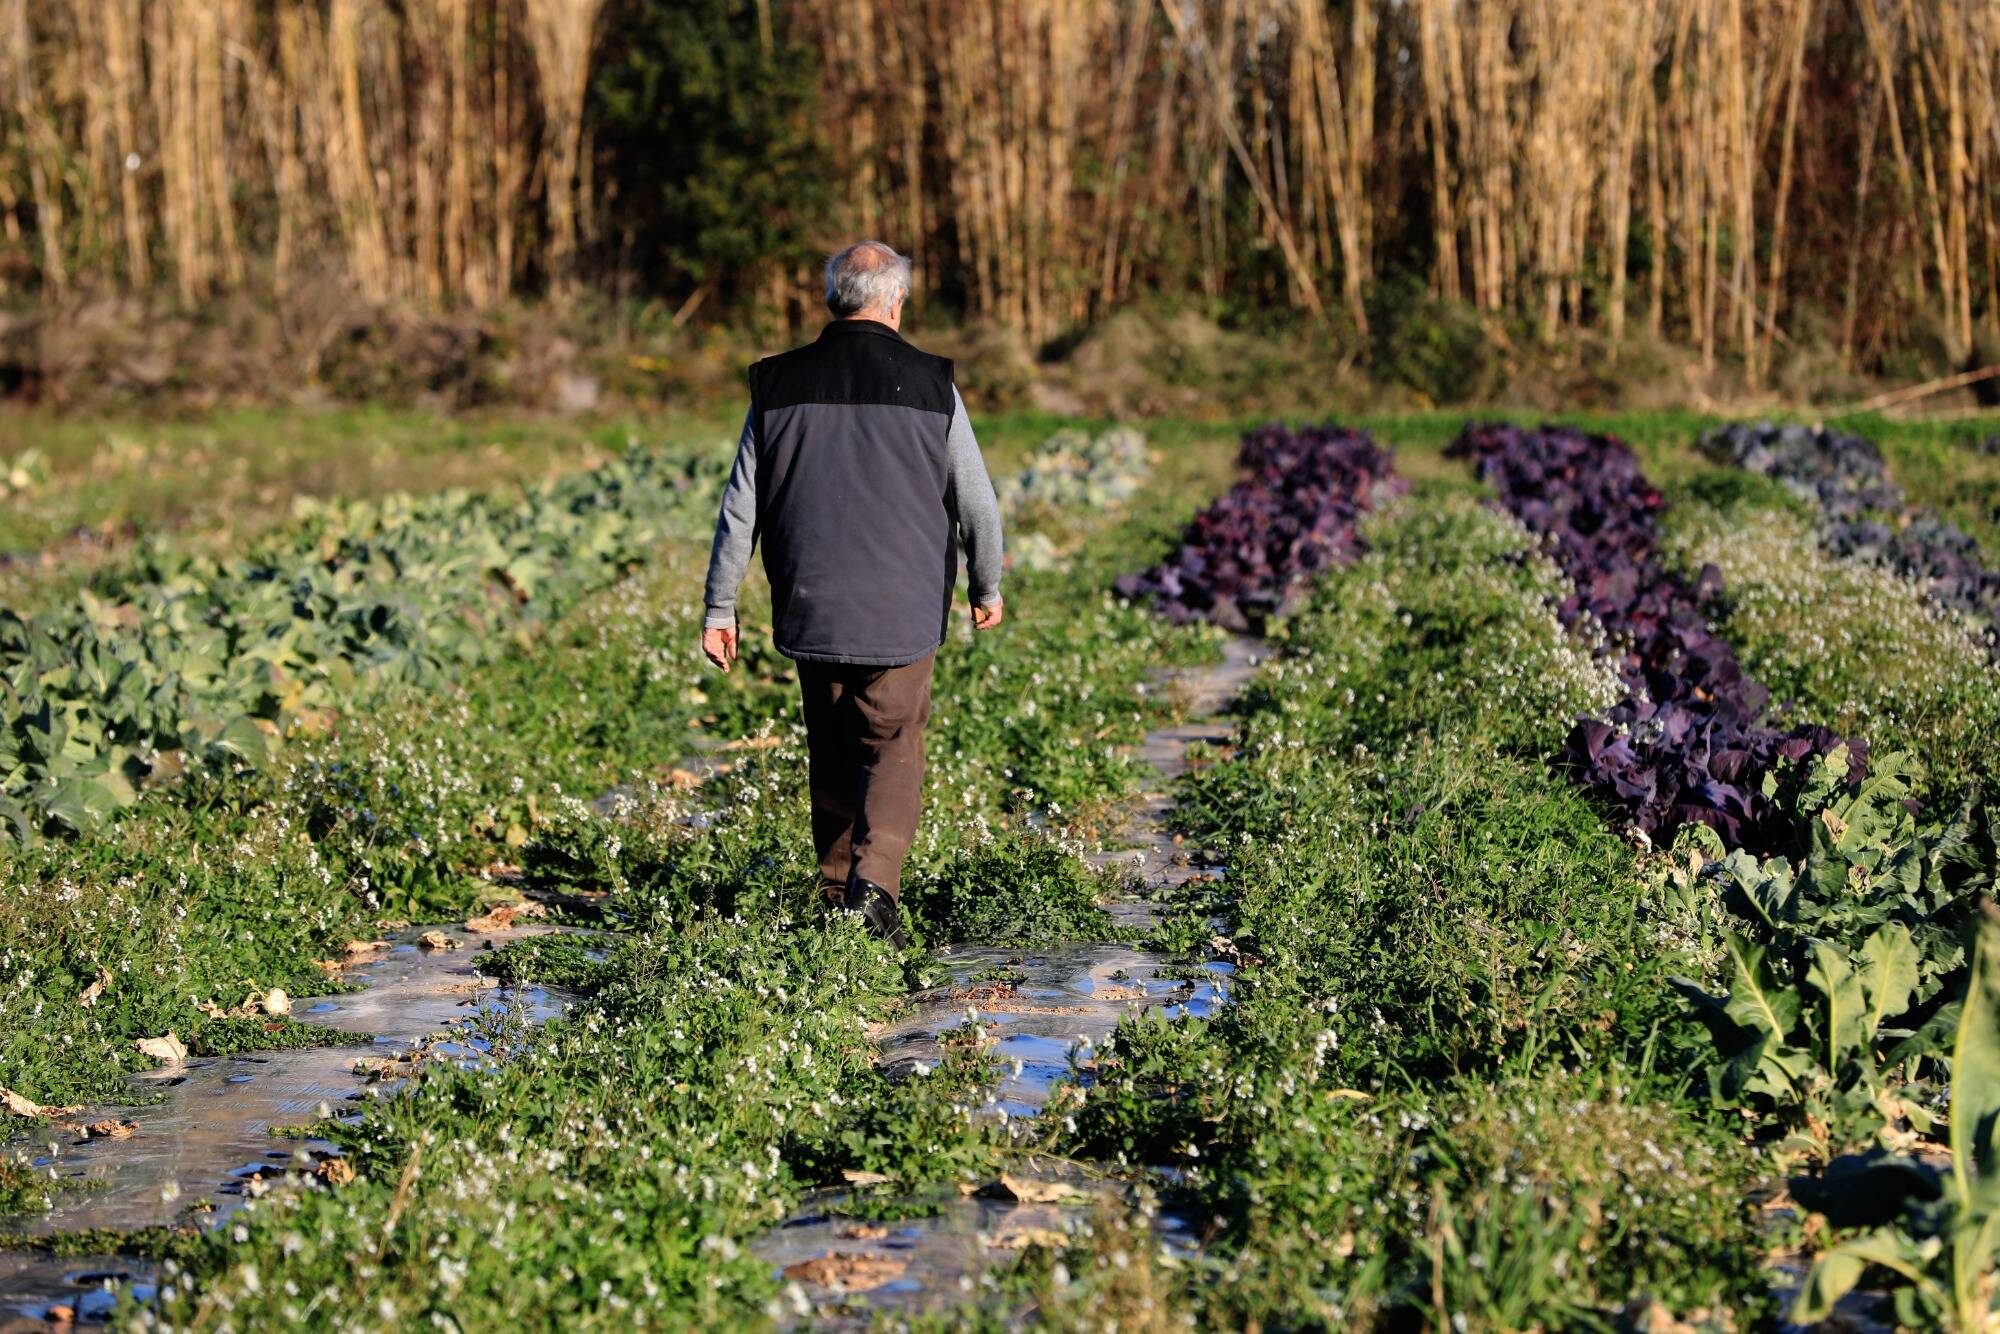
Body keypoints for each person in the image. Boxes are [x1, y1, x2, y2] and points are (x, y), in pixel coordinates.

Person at [699, 240, 1006, 947]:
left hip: (812, 603)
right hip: (904, 609)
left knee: (832, 748)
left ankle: (836, 895)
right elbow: (979, 505)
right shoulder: (931, 384)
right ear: (896, 302)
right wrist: (986, 582)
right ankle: (872, 890)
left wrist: (721, 607)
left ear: (834, 299)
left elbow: (738, 508)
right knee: (893, 744)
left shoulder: (778, 384)